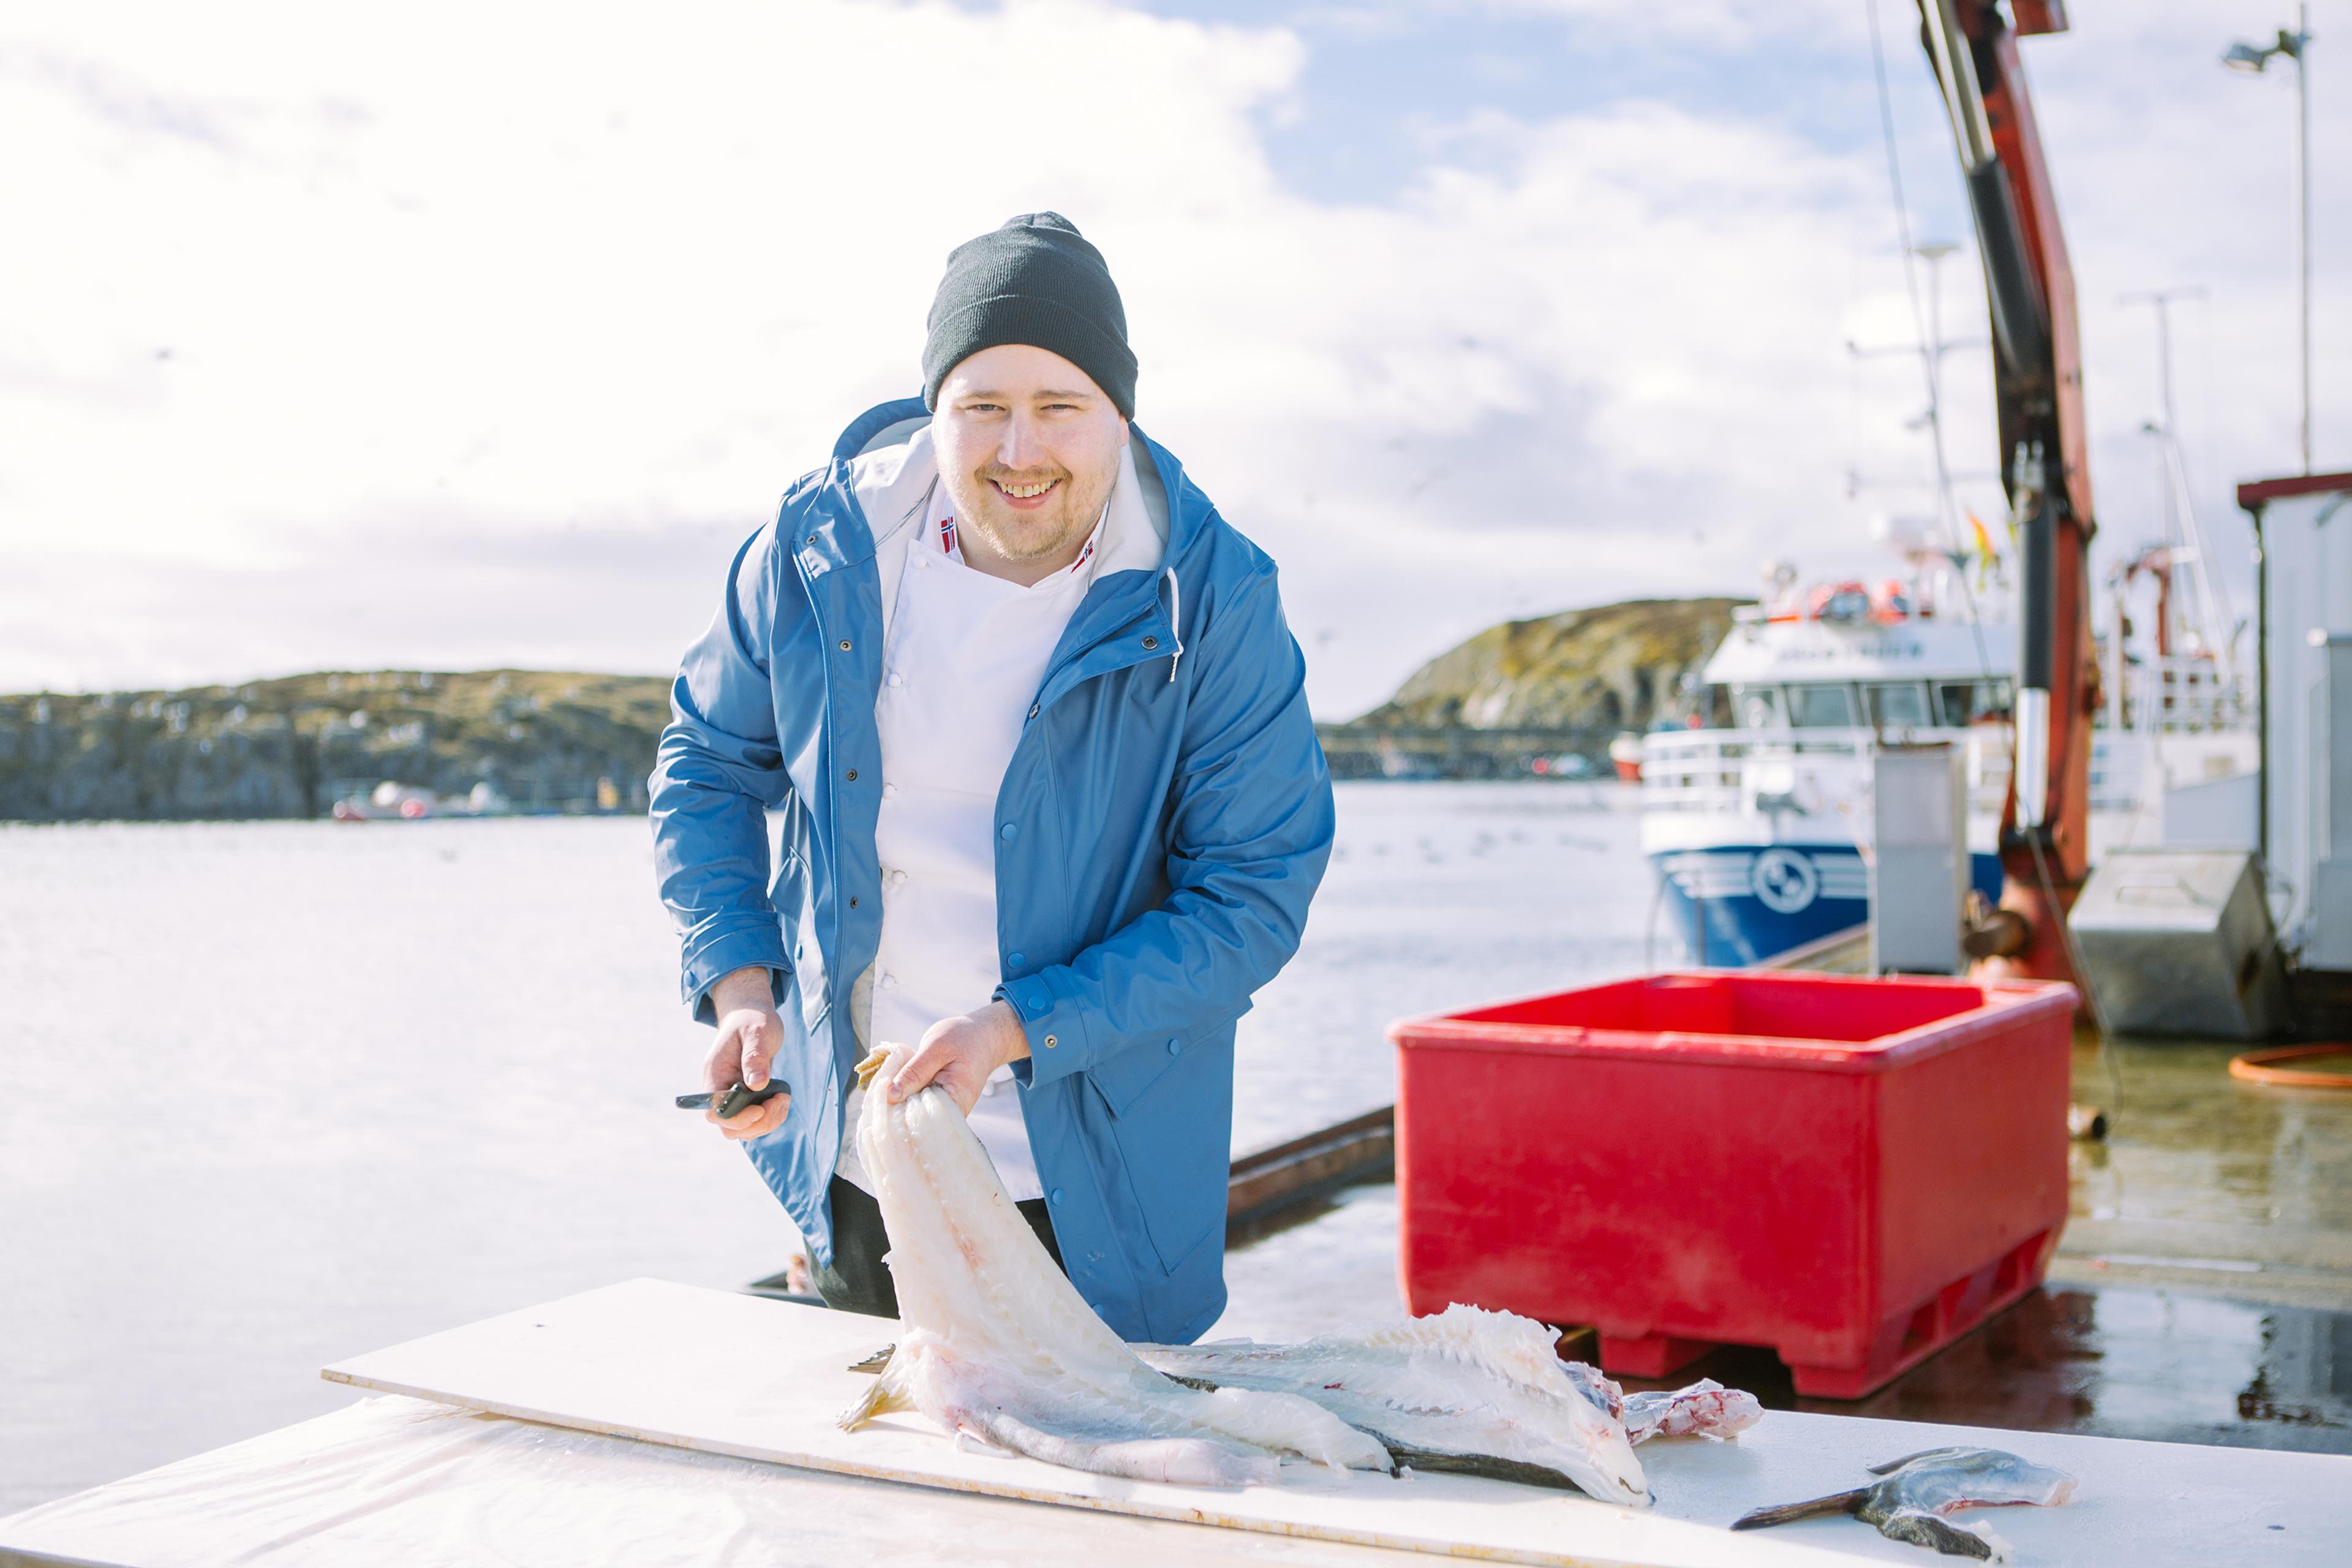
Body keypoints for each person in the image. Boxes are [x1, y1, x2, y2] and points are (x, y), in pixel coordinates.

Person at [648, 213, 1333, 1344]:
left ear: (1121, 414)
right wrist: (741, 986)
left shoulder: (1214, 597)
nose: (1020, 452)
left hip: (1103, 1179)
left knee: (1102, 1500)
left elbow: (1252, 898)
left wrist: (1015, 1028)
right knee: (879, 1487)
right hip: (859, 1158)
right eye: (983, 407)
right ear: (937, 411)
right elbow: (709, 762)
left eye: (1060, 406)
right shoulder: (817, 547)